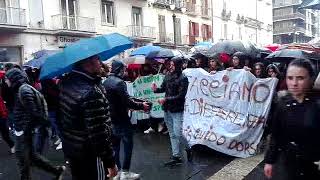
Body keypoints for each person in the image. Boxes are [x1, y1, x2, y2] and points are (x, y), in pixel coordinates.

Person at [58, 55, 117, 180]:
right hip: (90, 153)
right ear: (87, 63)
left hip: (72, 148)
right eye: (97, 59)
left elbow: (62, 118)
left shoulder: (66, 82)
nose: (101, 63)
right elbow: (98, 133)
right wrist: (110, 162)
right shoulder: (91, 92)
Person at [264, 59, 320, 180]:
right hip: (289, 166)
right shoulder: (283, 103)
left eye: (300, 78)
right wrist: (270, 160)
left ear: (310, 79)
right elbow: (276, 134)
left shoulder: (317, 104)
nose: (294, 83)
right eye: (290, 78)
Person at [5, 68, 65, 180]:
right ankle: (57, 171)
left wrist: (24, 130)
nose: (6, 81)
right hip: (22, 130)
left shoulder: (24, 90)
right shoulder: (21, 89)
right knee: (32, 158)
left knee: (22, 160)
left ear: (14, 79)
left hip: (23, 131)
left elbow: (34, 112)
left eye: (7, 79)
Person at [103, 60, 150, 180]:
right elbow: (127, 101)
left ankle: (117, 172)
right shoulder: (119, 83)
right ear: (119, 69)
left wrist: (138, 101)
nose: (125, 72)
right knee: (128, 146)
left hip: (111, 119)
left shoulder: (106, 82)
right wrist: (141, 105)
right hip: (122, 119)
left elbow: (124, 98)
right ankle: (125, 172)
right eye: (123, 69)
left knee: (116, 148)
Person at [152, 57, 192, 166]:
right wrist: (156, 90)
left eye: (173, 65)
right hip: (167, 109)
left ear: (178, 65)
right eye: (170, 64)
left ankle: (188, 148)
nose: (171, 66)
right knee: (172, 133)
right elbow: (163, 88)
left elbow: (181, 96)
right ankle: (176, 156)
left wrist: (165, 99)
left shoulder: (183, 78)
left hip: (177, 109)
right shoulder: (168, 75)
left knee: (178, 133)